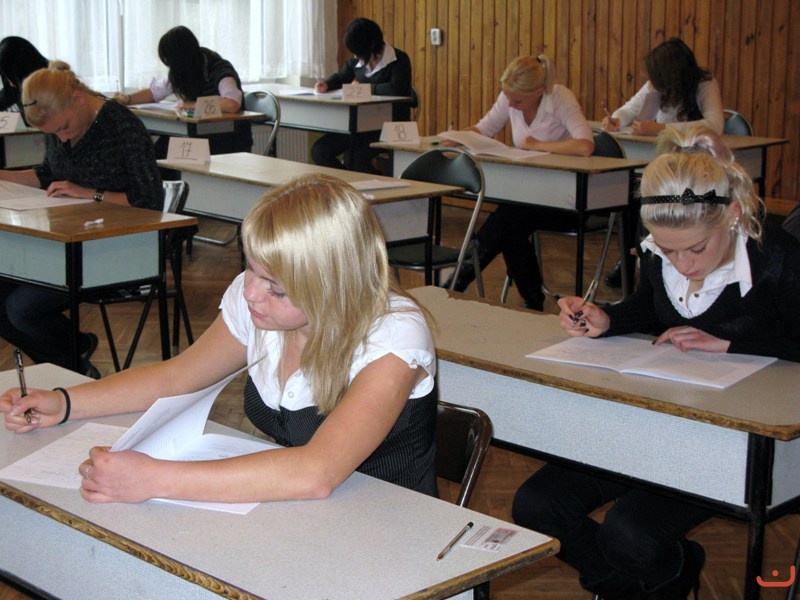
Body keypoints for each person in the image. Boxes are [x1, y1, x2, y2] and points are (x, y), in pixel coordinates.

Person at [1, 174, 439, 505]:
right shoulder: (260, 305)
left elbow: (316, 472)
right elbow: (177, 378)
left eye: (276, 288)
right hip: (299, 512)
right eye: (250, 268)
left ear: (332, 287)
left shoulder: (393, 334)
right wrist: (65, 402)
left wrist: (153, 479)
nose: (251, 293)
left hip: (392, 524)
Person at [512, 127, 800, 599]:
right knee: (537, 507)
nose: (682, 265)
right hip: (657, 415)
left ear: (731, 215)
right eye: (668, 250)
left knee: (629, 536)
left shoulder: (778, 259)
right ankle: (664, 578)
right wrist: (608, 319)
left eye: (696, 249)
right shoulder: (659, 252)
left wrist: (731, 343)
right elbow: (651, 308)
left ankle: (653, 578)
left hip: (736, 443)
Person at [0, 61, 163, 378]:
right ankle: (72, 362)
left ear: (76, 98)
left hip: (118, 248)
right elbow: (49, 174)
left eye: (63, 128)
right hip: (65, 240)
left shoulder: (122, 127)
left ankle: (71, 362)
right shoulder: (62, 122)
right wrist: (3, 175)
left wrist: (91, 193)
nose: (61, 138)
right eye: (53, 134)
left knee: (22, 309)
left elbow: (149, 201)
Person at [445, 55, 594, 310]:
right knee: (510, 224)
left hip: (566, 200)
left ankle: (458, 279)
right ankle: (530, 298)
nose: (510, 105)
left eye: (517, 101)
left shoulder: (560, 98)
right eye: (507, 98)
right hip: (529, 197)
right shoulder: (511, 97)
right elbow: (484, 128)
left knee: (508, 220)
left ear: (538, 92)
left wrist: (539, 145)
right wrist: (459, 137)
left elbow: (585, 145)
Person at [603, 37, 725, 288]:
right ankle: (630, 257)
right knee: (632, 199)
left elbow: (715, 124)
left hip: (690, 167)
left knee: (649, 200)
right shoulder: (654, 86)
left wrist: (661, 129)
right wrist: (616, 119)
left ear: (671, 74)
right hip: (656, 165)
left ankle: (649, 261)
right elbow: (628, 110)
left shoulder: (704, 84)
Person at [113, 25, 250, 155]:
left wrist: (193, 106)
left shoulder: (219, 70)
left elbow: (232, 104)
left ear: (180, 58)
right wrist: (128, 99)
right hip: (199, 135)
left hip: (227, 139)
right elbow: (154, 93)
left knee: (164, 153)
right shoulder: (184, 70)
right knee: (158, 152)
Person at [311, 17, 412, 173]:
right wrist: (327, 84)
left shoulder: (399, 60)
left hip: (394, 128)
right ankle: (346, 185)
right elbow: (342, 77)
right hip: (360, 126)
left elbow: (396, 89)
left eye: (358, 52)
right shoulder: (357, 60)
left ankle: (376, 186)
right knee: (320, 151)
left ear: (371, 45)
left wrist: (365, 88)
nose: (356, 56)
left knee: (355, 157)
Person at [0, 36, 49, 125]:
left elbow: (40, 119)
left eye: (10, 76)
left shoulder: (54, 84)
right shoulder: (13, 87)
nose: (10, 83)